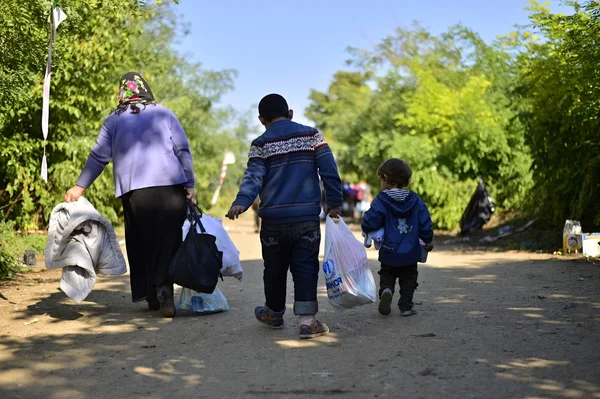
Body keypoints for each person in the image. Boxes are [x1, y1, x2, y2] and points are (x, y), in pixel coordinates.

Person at [64, 72, 195, 318]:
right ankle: (165, 288)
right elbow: (182, 150)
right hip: (171, 188)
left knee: (143, 242)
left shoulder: (113, 120)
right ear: (146, 89)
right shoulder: (164, 113)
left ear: (122, 92)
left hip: (136, 192)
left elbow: (99, 157)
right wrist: (190, 184)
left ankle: (151, 294)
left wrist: (79, 186)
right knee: (169, 241)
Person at [226, 94, 342, 339]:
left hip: (273, 222)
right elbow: (329, 170)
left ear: (261, 119)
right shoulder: (312, 136)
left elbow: (253, 177)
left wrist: (241, 202)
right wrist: (334, 203)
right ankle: (307, 322)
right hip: (306, 220)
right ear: (290, 113)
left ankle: (274, 313)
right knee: (306, 267)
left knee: (274, 269)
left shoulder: (261, 143)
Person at [361, 158, 434, 317]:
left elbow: (370, 220)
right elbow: (425, 223)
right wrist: (428, 239)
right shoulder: (415, 200)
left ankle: (387, 289)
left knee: (387, 272)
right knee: (409, 277)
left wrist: (366, 227)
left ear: (386, 179)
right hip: (411, 250)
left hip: (389, 249)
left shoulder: (382, 200)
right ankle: (406, 306)